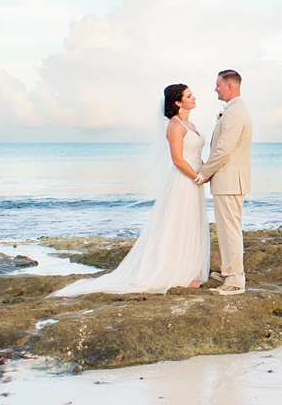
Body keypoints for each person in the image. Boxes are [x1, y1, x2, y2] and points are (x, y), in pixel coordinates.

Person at [52, 83, 210, 296]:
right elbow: (178, 160)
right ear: (178, 102)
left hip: (195, 181)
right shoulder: (174, 125)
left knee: (192, 222)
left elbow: (194, 154)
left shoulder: (190, 123)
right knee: (179, 223)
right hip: (184, 181)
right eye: (189, 96)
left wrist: (206, 170)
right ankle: (175, 270)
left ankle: (190, 268)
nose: (194, 98)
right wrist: (197, 176)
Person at [195, 69, 253, 295]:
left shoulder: (236, 112)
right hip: (228, 180)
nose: (215, 89)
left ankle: (236, 280)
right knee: (225, 228)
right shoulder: (233, 111)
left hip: (230, 180)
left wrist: (204, 172)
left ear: (230, 86)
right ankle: (229, 271)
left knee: (229, 229)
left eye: (218, 85)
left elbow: (224, 149)